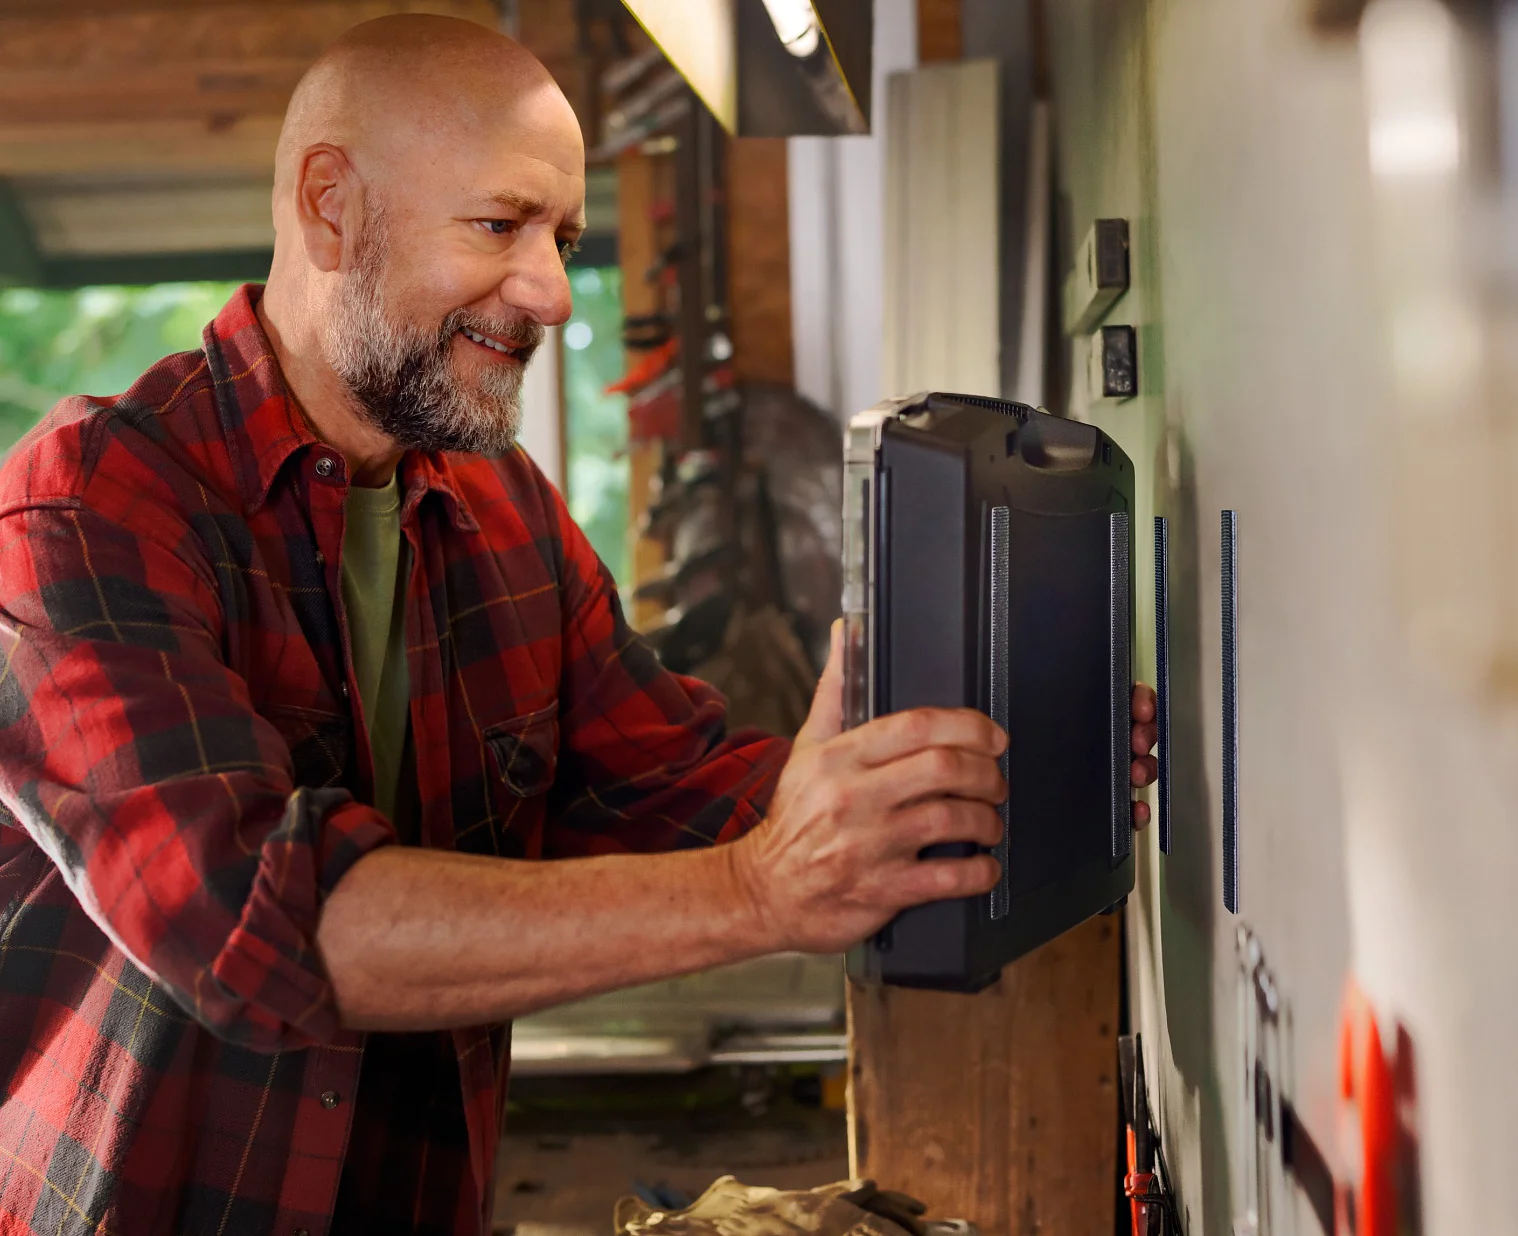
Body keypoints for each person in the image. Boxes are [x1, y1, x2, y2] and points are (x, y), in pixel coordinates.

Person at [0, 14, 1159, 1236]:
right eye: (500, 226)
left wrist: (971, 777)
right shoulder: (86, 502)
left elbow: (683, 784)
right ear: (331, 205)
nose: (550, 290)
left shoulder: (504, 515)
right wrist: (761, 891)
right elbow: (253, 925)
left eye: (562, 237)